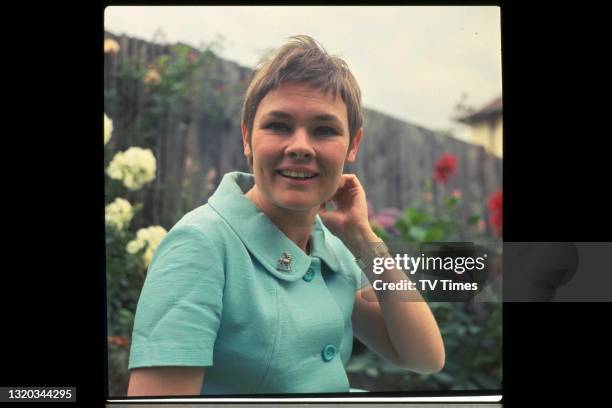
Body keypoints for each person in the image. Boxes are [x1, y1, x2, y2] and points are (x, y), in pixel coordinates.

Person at [126, 35, 444, 396]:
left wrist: (364, 238)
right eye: (278, 125)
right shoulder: (201, 246)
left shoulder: (334, 249)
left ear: (353, 145)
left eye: (324, 130)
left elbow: (424, 356)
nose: (300, 147)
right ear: (247, 138)